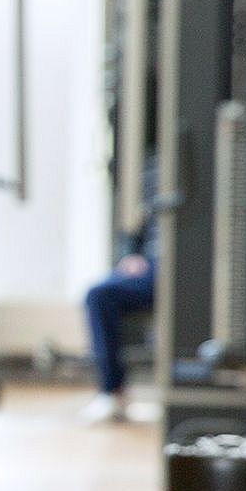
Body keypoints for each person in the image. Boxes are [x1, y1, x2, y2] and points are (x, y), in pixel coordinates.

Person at [82, 170, 158, 422]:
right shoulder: (154, 172)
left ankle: (112, 391)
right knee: (98, 294)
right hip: (148, 265)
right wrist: (132, 255)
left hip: (180, 266)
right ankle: (112, 392)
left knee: (100, 294)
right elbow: (137, 229)